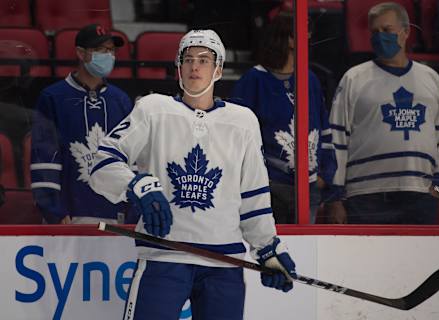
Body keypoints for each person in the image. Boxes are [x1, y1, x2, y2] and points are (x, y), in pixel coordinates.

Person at [89, 29, 297, 320]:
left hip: (224, 263)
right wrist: (135, 185)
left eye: (204, 59)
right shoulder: (152, 110)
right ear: (178, 67)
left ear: (219, 69)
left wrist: (268, 249)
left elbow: (254, 196)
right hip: (164, 257)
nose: (195, 66)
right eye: (187, 59)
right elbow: (102, 162)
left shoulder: (243, 121)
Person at [327, 2, 439, 224]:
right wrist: (336, 197)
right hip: (365, 196)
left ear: (406, 32)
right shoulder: (353, 78)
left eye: (386, 30)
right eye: (374, 31)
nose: (380, 37)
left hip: (420, 194)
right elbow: (337, 139)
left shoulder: (430, 78)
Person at [231, 12, 337, 224]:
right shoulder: (254, 80)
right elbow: (236, 134)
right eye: (303, 31)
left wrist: (326, 174)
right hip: (271, 187)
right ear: (288, 38)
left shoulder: (310, 79)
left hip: (309, 187)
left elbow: (323, 129)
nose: (309, 36)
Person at [30, 24, 134, 224]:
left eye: (111, 50)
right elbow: (44, 158)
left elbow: (131, 159)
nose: (107, 55)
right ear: (80, 53)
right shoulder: (53, 97)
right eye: (99, 50)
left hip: (116, 218)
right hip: (69, 217)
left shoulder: (120, 101)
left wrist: (132, 212)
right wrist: (55, 212)